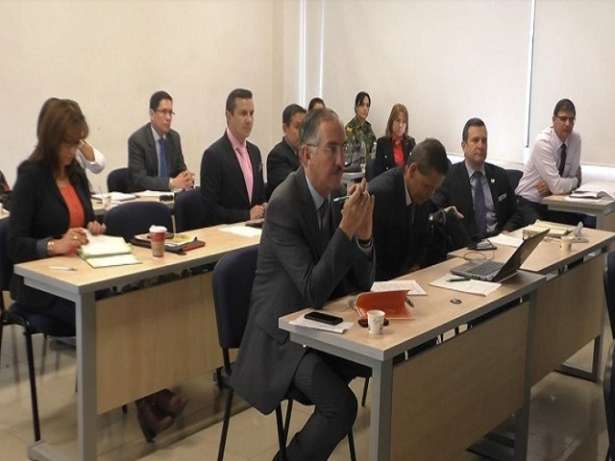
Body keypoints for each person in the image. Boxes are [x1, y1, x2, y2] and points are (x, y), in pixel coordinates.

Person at [231, 109, 374, 461]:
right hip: (280, 339)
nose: (341, 161)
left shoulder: (330, 199)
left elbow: (360, 284)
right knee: (341, 406)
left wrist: (364, 236)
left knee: (388, 363)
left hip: (315, 327)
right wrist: (346, 231)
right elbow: (313, 289)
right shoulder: (285, 203)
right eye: (332, 150)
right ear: (306, 155)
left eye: (344, 149)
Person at [432, 118, 523, 245]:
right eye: (475, 140)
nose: (481, 146)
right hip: (466, 246)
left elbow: (516, 213)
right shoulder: (449, 177)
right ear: (464, 146)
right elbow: (434, 211)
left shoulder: (500, 175)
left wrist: (506, 231)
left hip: (499, 243)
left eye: (484, 141)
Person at [369, 138, 450, 281]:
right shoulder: (379, 196)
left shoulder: (420, 193)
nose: (431, 194)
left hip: (409, 282)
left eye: (435, 189)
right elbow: (372, 262)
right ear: (412, 170)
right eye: (427, 187)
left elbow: (423, 241)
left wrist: (418, 265)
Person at [200, 88, 266, 225]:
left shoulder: (255, 152)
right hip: (227, 231)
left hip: (255, 230)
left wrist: (265, 207)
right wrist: (246, 215)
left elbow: (259, 199)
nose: (249, 120)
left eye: (251, 113)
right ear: (229, 116)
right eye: (243, 113)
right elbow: (210, 211)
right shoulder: (213, 156)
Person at [516, 98, 582, 224]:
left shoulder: (575, 139)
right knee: (543, 232)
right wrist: (575, 181)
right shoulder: (543, 142)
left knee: (583, 224)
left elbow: (566, 179)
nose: (567, 124)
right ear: (553, 120)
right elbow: (560, 185)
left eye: (571, 119)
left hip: (555, 202)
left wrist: (553, 187)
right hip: (529, 202)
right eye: (563, 118)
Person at [128, 91, 194, 192]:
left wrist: (187, 178)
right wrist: (170, 183)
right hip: (147, 198)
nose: (168, 118)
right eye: (163, 112)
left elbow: (181, 170)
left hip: (171, 196)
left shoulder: (174, 138)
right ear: (152, 114)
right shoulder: (138, 140)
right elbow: (139, 180)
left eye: (170, 113)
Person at [38, 97, 106, 174]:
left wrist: (78, 141)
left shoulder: (76, 151)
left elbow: (99, 165)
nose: (72, 151)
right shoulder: (35, 168)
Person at [266, 103, 306, 198]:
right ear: (285, 128)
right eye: (297, 127)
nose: (302, 132)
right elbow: (293, 188)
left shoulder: (303, 153)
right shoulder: (277, 156)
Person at [372, 103, 416, 178]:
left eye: (404, 122)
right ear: (391, 122)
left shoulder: (411, 143)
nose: (400, 125)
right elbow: (378, 173)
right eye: (398, 121)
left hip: (406, 182)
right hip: (388, 182)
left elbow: (415, 170)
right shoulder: (382, 143)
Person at [345, 91, 377, 160]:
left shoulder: (368, 128)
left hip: (369, 165)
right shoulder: (350, 128)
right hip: (355, 166)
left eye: (367, 105)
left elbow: (375, 150)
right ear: (356, 107)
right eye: (362, 105)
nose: (365, 108)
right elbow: (351, 156)